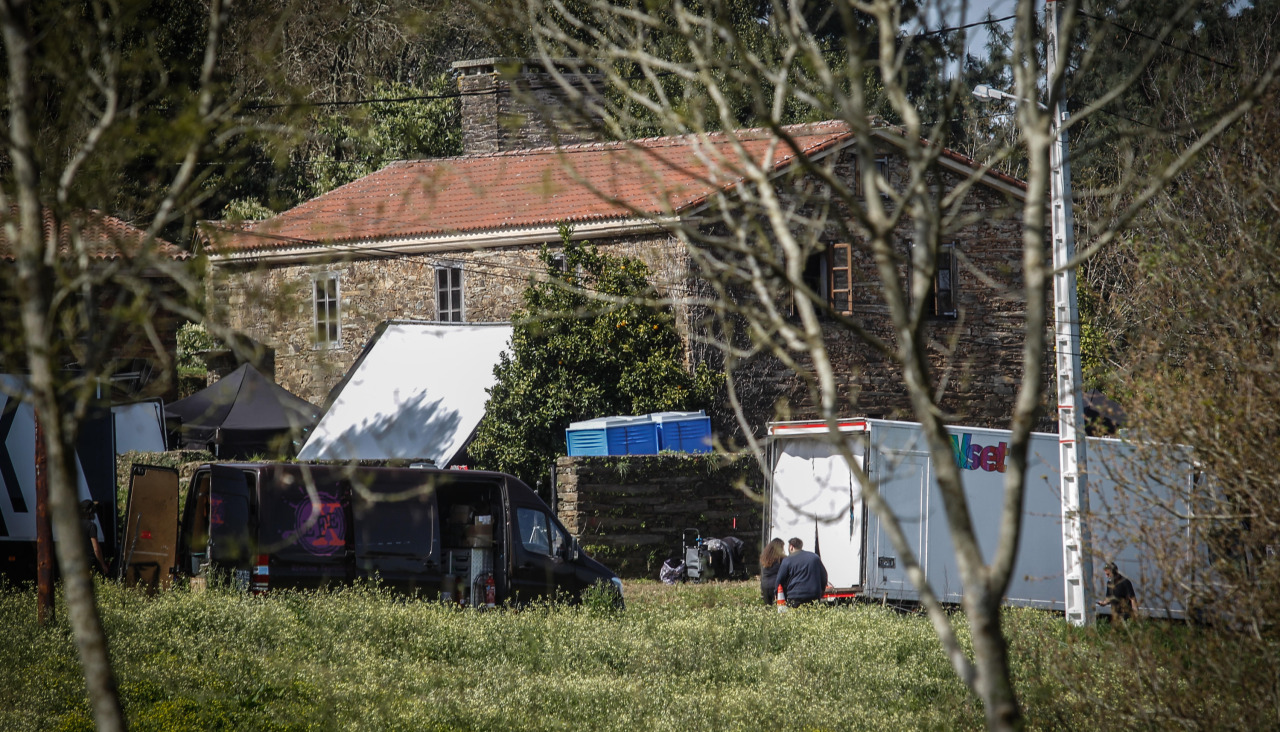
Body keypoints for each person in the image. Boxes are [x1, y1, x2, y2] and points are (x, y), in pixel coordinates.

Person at [774, 537, 828, 607]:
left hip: (795, 595)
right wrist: (822, 589)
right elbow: (824, 575)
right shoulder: (815, 557)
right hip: (813, 595)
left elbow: (780, 579)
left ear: (791, 547)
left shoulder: (787, 560)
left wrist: (776, 593)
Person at [80, 499, 109, 575]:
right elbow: (96, 549)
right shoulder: (91, 526)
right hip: (89, 562)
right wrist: (103, 565)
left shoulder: (74, 525)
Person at [759, 538, 786, 605]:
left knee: (768, 607)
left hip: (765, 585)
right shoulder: (781, 558)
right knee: (779, 608)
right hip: (776, 586)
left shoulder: (764, 558)